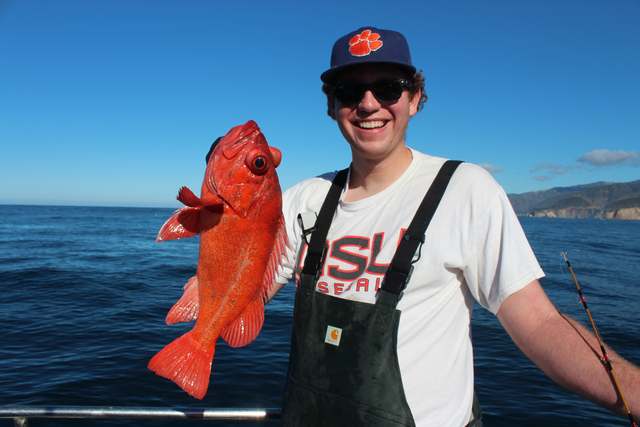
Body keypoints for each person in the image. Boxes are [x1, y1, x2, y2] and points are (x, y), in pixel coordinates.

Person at [266, 26, 639, 426]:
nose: (369, 104)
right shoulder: (302, 198)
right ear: (331, 105)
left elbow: (539, 322)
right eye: (349, 90)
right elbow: (239, 298)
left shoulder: (465, 189)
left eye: (389, 88)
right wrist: (224, 218)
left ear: (415, 100)